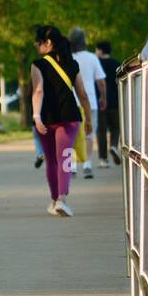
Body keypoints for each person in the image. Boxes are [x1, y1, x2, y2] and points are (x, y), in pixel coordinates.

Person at [31, 25, 93, 217]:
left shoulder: (37, 64)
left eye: (38, 41)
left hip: (46, 118)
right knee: (65, 158)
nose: (36, 45)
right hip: (69, 117)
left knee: (51, 161)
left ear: (47, 43)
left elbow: (38, 90)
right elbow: (82, 94)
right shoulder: (72, 64)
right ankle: (62, 200)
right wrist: (89, 118)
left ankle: (53, 200)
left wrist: (36, 115)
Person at [68, 27, 106, 179]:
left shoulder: (66, 58)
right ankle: (87, 165)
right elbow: (101, 81)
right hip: (89, 101)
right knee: (89, 133)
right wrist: (103, 96)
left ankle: (71, 166)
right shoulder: (92, 58)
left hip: (70, 102)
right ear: (84, 41)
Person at [95, 41, 122, 166]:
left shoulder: (96, 64)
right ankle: (114, 146)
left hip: (99, 102)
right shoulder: (117, 64)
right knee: (115, 128)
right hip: (115, 102)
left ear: (100, 51)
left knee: (101, 131)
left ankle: (103, 159)